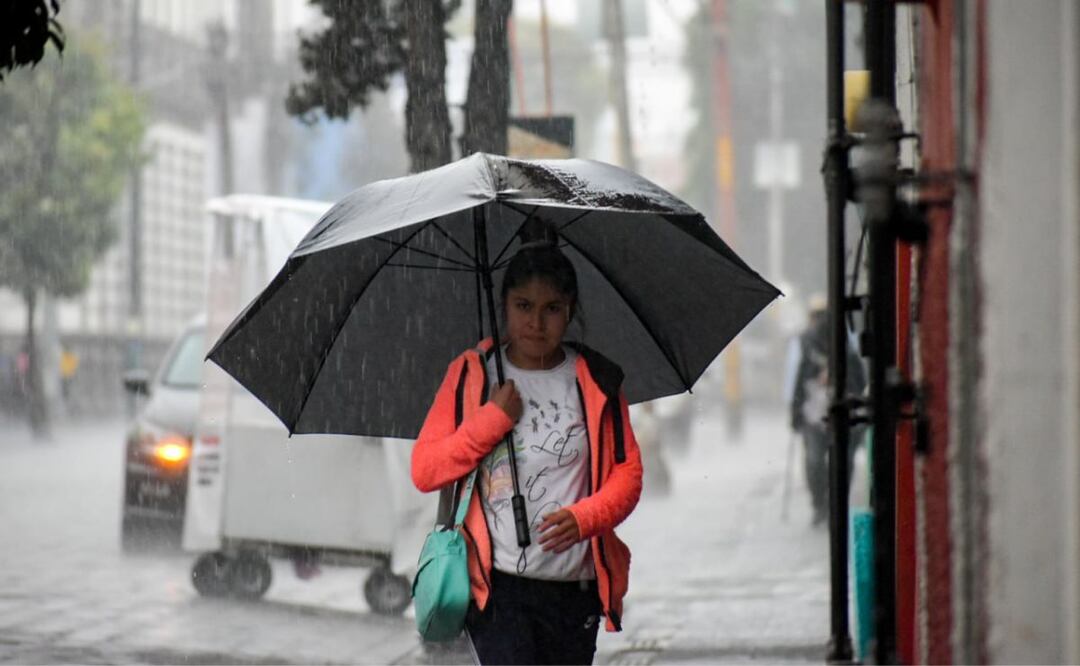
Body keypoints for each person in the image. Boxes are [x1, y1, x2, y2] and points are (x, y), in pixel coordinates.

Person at [411, 234, 644, 665]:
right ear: (504, 306)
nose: (536, 322)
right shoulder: (472, 375)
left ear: (570, 310)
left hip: (576, 593)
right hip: (498, 591)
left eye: (551, 308)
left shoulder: (597, 379)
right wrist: (491, 420)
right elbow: (426, 470)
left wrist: (585, 516)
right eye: (523, 306)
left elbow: (627, 475)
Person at [789, 299, 867, 526]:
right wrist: (795, 412)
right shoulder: (807, 345)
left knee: (842, 461)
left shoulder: (849, 350)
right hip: (814, 414)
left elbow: (858, 383)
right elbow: (799, 381)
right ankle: (819, 503)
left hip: (842, 415)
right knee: (814, 460)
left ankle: (834, 503)